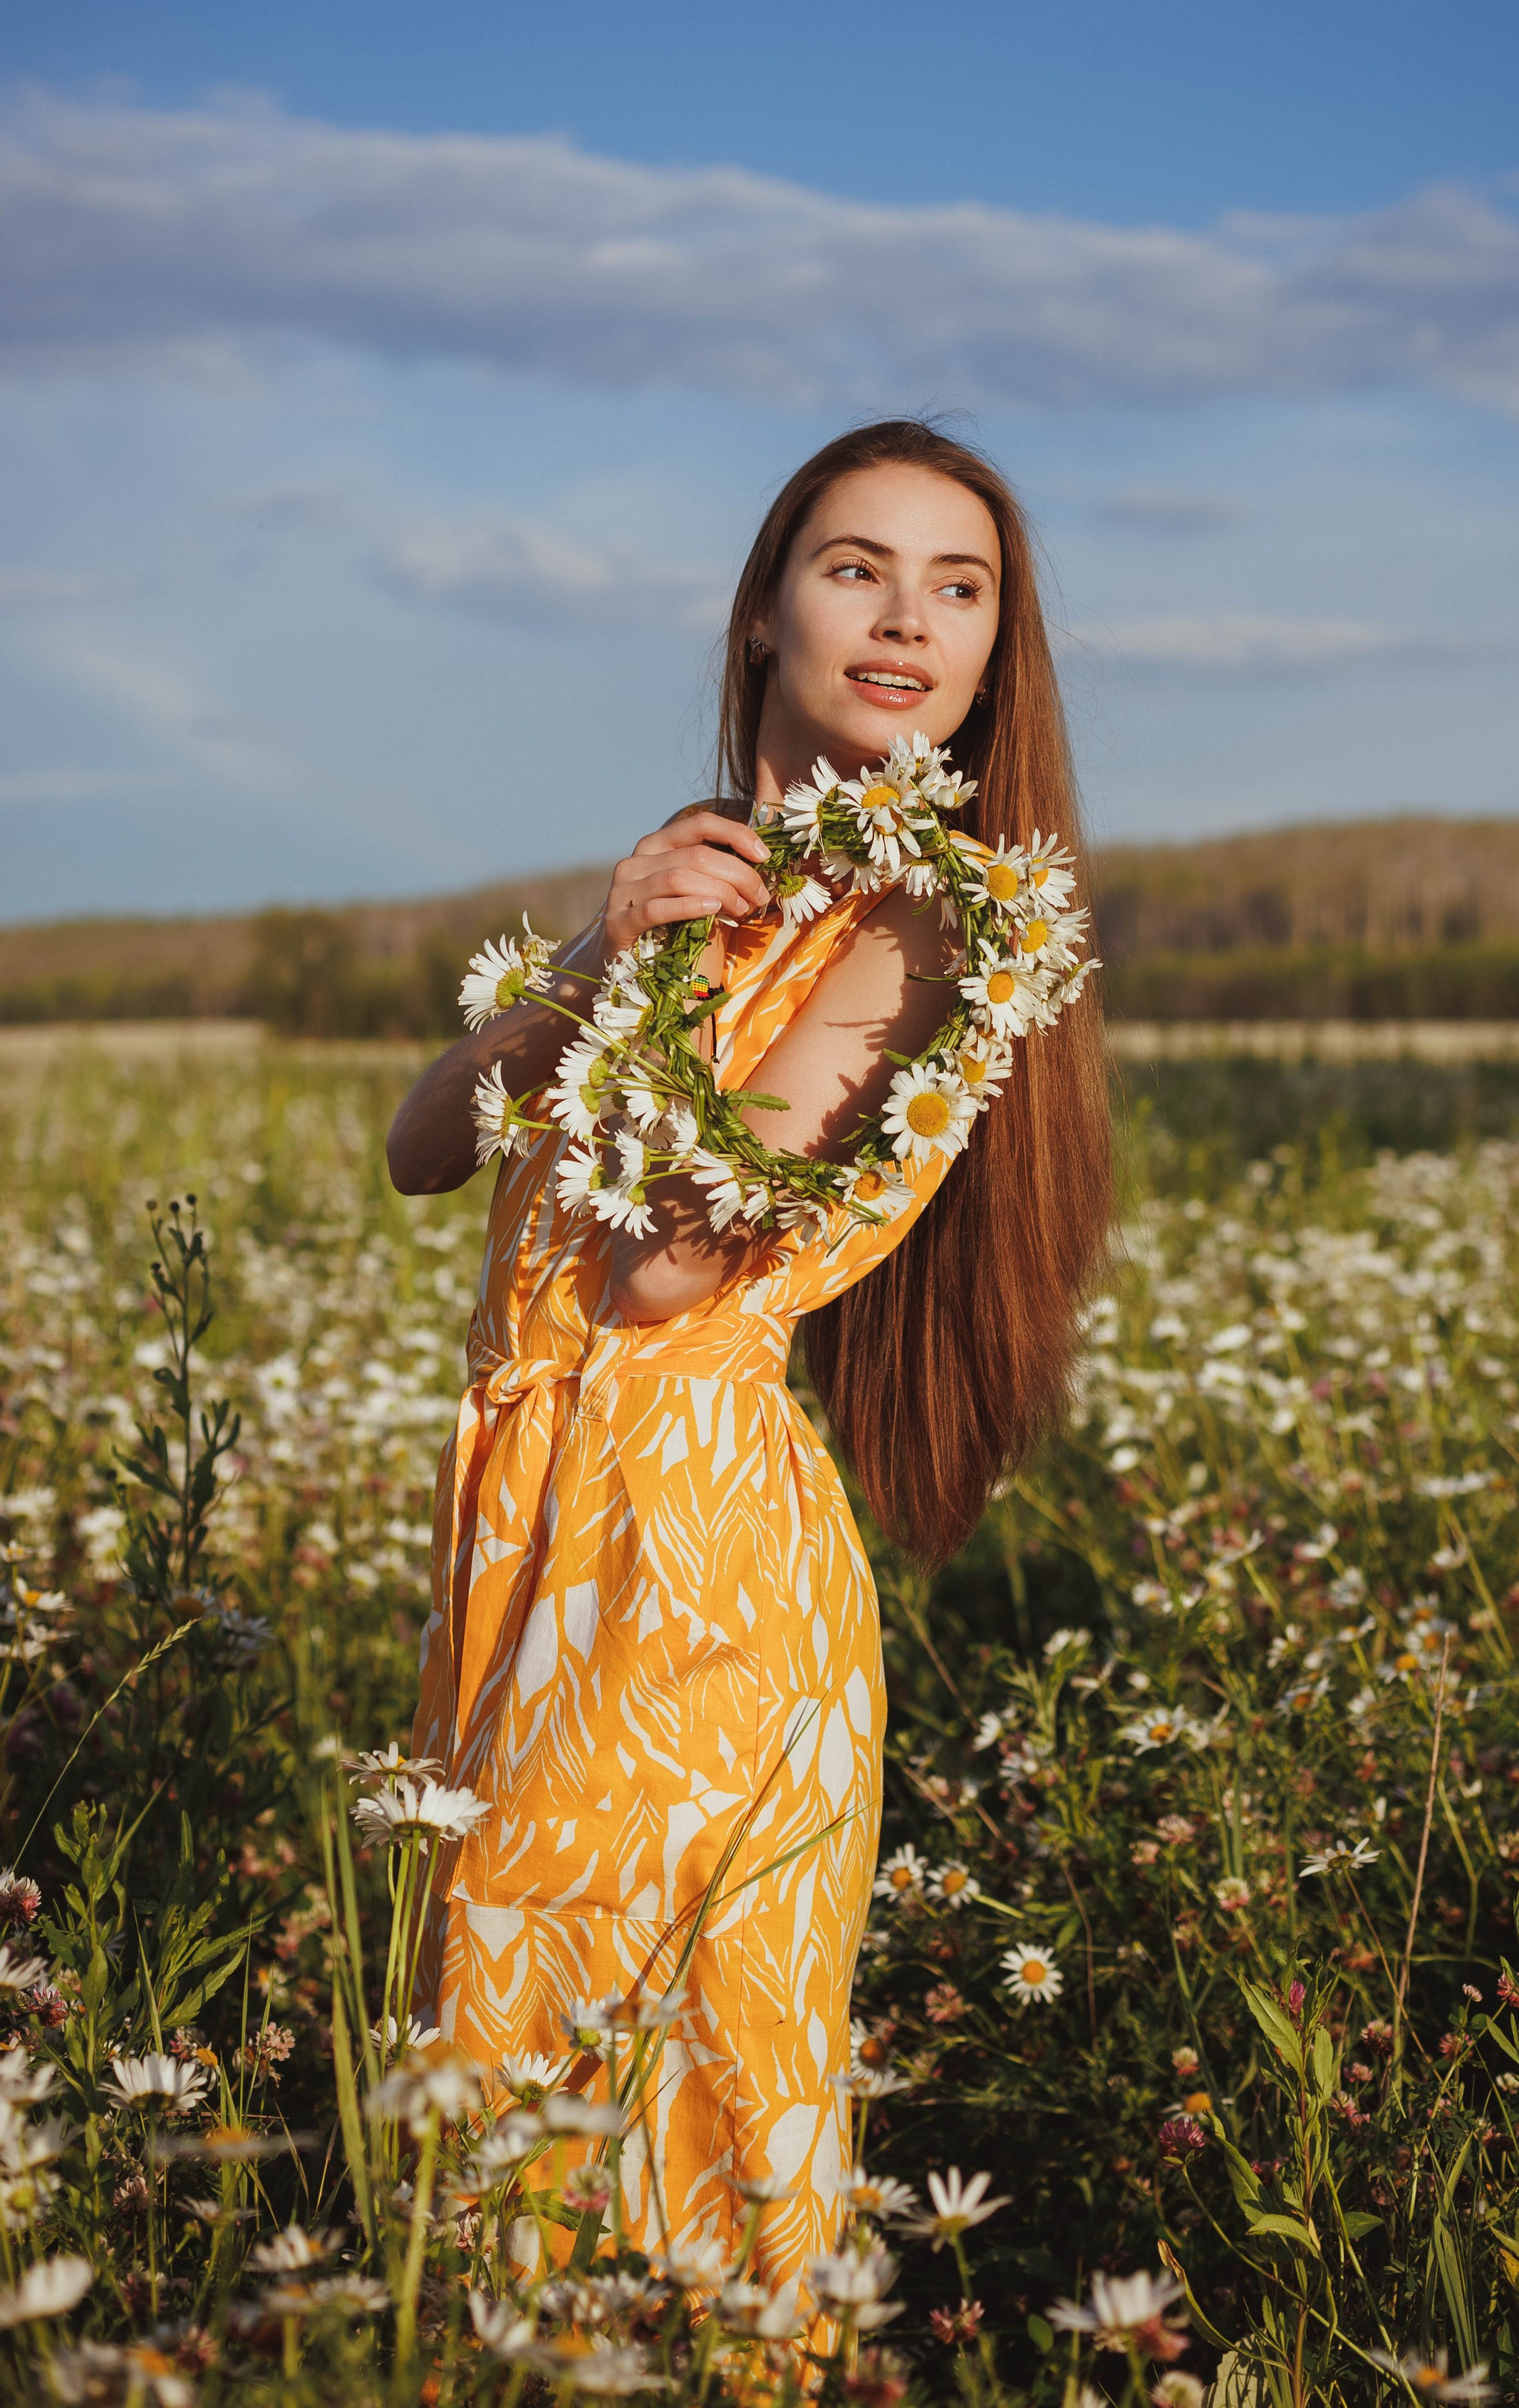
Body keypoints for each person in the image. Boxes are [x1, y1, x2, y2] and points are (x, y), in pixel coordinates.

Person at [385, 418, 1113, 2306]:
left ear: (990, 655)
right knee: (512, 2046)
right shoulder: (694, 880)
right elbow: (422, 1140)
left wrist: (625, 984)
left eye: (960, 590)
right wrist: (609, 937)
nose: (905, 620)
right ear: (769, 606)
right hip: (534, 1532)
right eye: (857, 567)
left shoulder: (932, 924)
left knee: (657, 2098)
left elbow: (667, 1268)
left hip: (684, 1568)